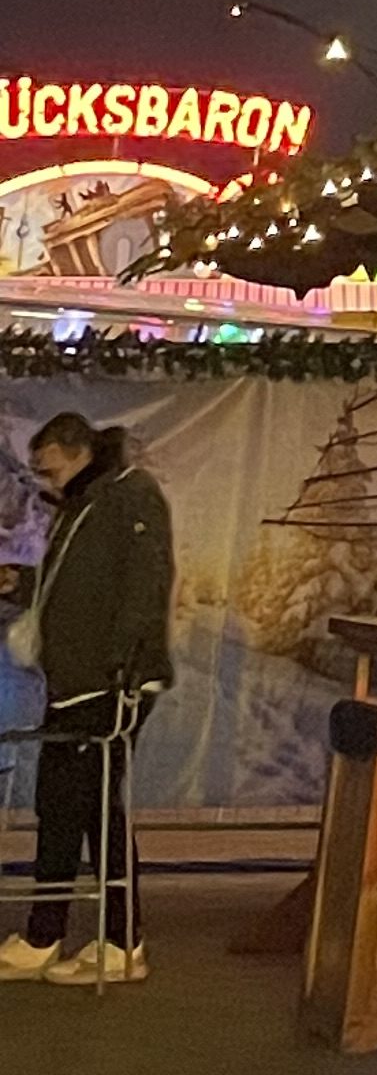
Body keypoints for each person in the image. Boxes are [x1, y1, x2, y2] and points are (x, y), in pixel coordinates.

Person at [0, 412, 175, 989]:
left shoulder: (127, 498)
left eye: (43, 462)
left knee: (92, 811)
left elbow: (145, 586)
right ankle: (55, 935)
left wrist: (124, 670)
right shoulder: (87, 504)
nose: (40, 477)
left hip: (104, 685)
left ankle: (109, 940)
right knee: (69, 808)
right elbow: (79, 585)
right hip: (77, 682)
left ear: (71, 448)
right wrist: (20, 583)